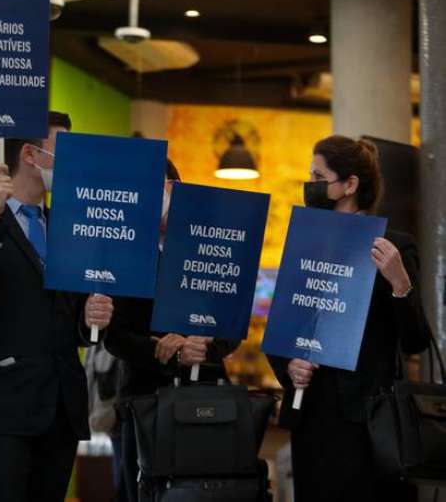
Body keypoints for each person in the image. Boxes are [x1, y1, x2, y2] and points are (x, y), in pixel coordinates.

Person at [0, 111, 115, 502]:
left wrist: (91, 322)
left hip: (62, 407)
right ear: (31, 155)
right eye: (63, 149)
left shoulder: (70, 227)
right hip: (4, 406)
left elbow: (72, 322)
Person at [266, 136, 431, 502]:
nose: (310, 184)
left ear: (350, 185)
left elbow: (416, 339)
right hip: (311, 412)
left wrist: (400, 282)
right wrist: (288, 365)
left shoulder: (394, 246)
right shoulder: (305, 241)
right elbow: (282, 328)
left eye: (318, 175)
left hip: (369, 419)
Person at [104, 159, 240, 502]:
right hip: (143, 402)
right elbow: (114, 337)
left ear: (177, 189)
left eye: (162, 186)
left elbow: (232, 326)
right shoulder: (123, 252)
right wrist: (159, 348)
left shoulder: (209, 247)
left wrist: (205, 347)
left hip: (204, 398)